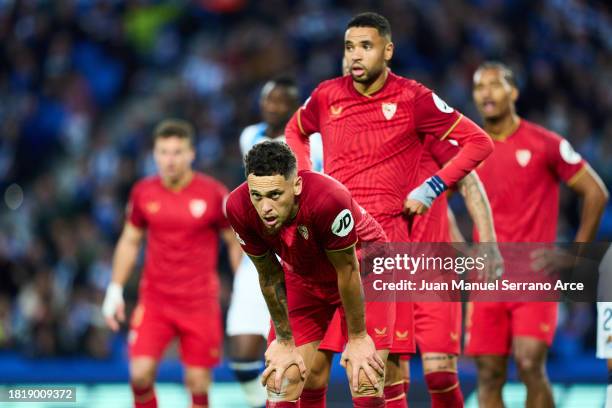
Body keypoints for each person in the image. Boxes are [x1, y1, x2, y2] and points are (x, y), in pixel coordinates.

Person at [286, 12, 494, 408]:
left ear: (388, 50)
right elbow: (296, 129)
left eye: (366, 46)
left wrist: (432, 187)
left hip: (382, 246)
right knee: (309, 370)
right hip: (327, 243)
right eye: (349, 47)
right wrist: (305, 177)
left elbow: (478, 142)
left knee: (368, 377)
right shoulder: (327, 95)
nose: (356, 56)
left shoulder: (413, 98)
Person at [466, 61, 609, 408]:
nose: (487, 92)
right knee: (488, 373)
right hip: (487, 278)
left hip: (534, 276)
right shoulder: (467, 149)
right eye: (479, 86)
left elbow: (596, 192)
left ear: (513, 92)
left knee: (530, 364)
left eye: (495, 84)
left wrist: (576, 253)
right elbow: (438, 198)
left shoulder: (544, 143)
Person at [225, 141, 393, 408]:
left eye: (275, 195)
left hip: (366, 272)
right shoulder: (238, 207)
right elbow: (269, 274)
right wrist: (284, 340)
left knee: (366, 382)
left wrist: (359, 338)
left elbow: (347, 270)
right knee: (283, 379)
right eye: (257, 195)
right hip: (303, 275)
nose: (265, 207)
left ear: (297, 186)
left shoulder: (328, 199)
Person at [101, 119, 243, 408]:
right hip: (155, 300)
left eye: (177, 152)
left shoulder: (213, 193)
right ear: (154, 154)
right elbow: (130, 241)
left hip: (199, 301)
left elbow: (234, 241)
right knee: (139, 376)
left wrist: (243, 289)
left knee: (198, 383)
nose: (170, 159)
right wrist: (114, 288)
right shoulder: (143, 192)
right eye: (164, 152)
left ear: (191, 154)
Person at [227, 76, 324, 408]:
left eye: (282, 101)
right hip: (258, 250)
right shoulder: (249, 136)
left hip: (296, 251)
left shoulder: (314, 142)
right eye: (269, 99)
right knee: (241, 357)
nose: (273, 106)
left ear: (294, 108)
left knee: (292, 353)